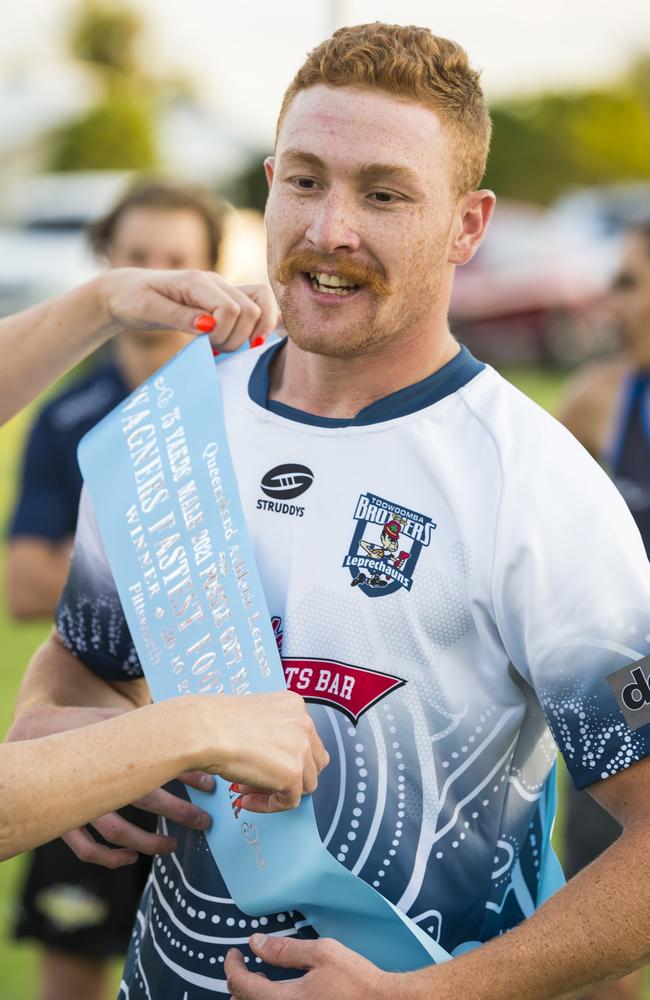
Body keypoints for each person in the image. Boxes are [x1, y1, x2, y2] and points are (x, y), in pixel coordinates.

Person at [11, 22, 650, 1000]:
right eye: (304, 180)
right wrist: (85, 751)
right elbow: (84, 661)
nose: (328, 229)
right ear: (267, 183)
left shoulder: (537, 487)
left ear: (467, 226)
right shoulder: (167, 429)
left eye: (383, 193)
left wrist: (432, 992)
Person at [4, 179, 253, 1000]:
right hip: (87, 735)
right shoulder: (67, 408)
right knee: (70, 965)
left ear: (212, 273)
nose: (160, 281)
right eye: (138, 261)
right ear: (108, 262)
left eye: (178, 262)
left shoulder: (251, 397)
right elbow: (26, 583)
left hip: (234, 765)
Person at [556, 222, 650, 1000]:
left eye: (629, 282)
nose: (612, 301)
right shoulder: (602, 397)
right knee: (590, 936)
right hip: (628, 697)